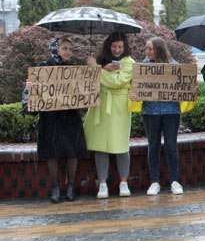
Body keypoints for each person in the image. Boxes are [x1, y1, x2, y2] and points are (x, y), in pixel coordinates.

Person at [26, 37, 87, 202]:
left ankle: (71, 186)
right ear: (55, 49)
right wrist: (29, 88)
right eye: (65, 48)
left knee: (72, 152)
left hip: (70, 116)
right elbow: (31, 95)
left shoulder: (74, 70)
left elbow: (84, 93)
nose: (68, 52)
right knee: (52, 152)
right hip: (51, 118)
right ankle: (55, 187)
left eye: (70, 49)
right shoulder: (43, 68)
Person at [84, 32, 134, 199]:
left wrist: (97, 70)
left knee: (121, 146)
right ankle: (103, 184)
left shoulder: (129, 63)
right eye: (114, 46)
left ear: (125, 47)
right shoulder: (99, 60)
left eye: (120, 46)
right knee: (100, 147)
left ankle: (124, 182)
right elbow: (88, 81)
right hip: (100, 106)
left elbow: (116, 82)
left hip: (119, 109)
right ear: (108, 46)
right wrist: (98, 68)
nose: (117, 50)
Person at [142, 38, 184, 196]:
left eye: (150, 49)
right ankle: (154, 181)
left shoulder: (174, 66)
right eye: (146, 49)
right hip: (150, 112)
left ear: (159, 49)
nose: (147, 52)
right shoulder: (143, 67)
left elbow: (183, 85)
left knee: (171, 146)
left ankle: (175, 180)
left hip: (171, 111)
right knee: (153, 146)